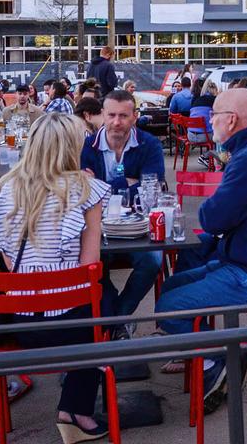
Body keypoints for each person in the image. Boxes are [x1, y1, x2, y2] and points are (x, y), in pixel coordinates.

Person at [155, 88, 247, 412]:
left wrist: (214, 202)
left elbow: (212, 217)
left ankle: (221, 358)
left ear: (231, 120)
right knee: (172, 286)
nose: (209, 120)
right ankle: (212, 354)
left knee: (168, 306)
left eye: (214, 114)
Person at [0, 113, 110, 442]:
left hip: (21, 325)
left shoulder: (4, 189)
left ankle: (73, 408)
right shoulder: (87, 189)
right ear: (71, 147)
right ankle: (76, 411)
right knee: (105, 306)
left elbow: (10, 262)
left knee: (95, 305)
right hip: (71, 328)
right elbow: (89, 267)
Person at [81, 90, 164, 322]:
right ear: (103, 115)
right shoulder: (88, 145)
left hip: (137, 226)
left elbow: (152, 186)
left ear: (135, 116)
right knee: (92, 265)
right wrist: (127, 183)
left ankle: (117, 318)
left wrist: (101, 186)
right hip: (97, 226)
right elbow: (83, 190)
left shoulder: (149, 144)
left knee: (153, 262)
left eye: (123, 116)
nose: (116, 122)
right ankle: (111, 316)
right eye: (111, 115)